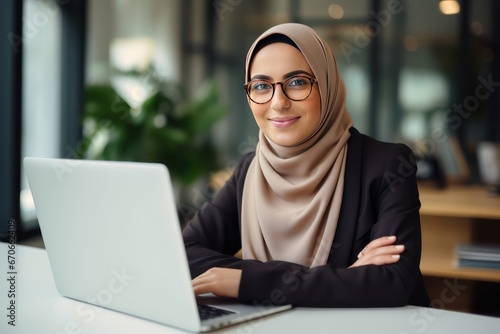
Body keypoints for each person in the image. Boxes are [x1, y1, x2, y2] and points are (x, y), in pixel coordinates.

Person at [182, 23, 430, 307]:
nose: (278, 103)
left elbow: (392, 282)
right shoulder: (250, 170)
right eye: (261, 86)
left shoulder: (387, 164)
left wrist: (249, 281)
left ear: (326, 85)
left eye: (297, 82)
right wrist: (345, 279)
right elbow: (185, 253)